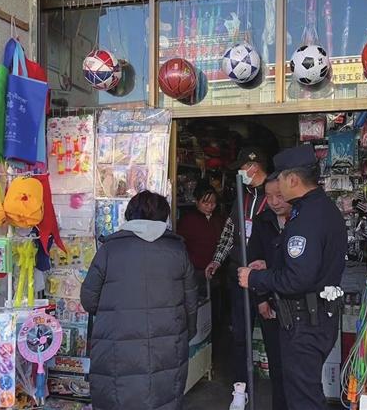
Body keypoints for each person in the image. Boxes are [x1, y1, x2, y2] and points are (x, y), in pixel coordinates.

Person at [238, 145, 347, 410]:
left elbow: (298, 279)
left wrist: (255, 279)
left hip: (305, 322)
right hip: (314, 317)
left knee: (303, 399)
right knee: (303, 391)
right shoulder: (320, 208)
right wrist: (272, 265)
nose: (277, 188)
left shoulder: (306, 218)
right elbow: (310, 264)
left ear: (293, 180)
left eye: (281, 179)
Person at [81, 190, 199, 410]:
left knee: (117, 399)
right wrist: (186, 333)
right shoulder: (177, 250)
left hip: (117, 344)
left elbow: (89, 299)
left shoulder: (110, 249)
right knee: (163, 398)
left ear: (130, 214)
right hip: (167, 344)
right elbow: (190, 301)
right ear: (164, 216)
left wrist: (114, 315)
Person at [205, 147, 268, 387]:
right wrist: (217, 260)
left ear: (253, 167)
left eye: (241, 169)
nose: (239, 174)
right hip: (238, 275)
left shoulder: (275, 195)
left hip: (266, 278)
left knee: (273, 333)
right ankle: (240, 387)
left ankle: (279, 391)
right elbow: (229, 233)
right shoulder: (243, 196)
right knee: (240, 334)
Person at [246, 178, 292, 410]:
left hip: (298, 303)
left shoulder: (302, 220)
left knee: (299, 366)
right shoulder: (262, 221)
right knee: (276, 361)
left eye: (279, 196)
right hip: (271, 301)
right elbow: (254, 262)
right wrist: (262, 299)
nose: (274, 202)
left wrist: (271, 266)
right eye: (269, 196)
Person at [177, 181, 225, 298]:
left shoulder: (219, 219)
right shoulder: (188, 220)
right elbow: (180, 246)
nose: (210, 206)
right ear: (197, 201)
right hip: (195, 272)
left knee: (217, 302)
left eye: (213, 203)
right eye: (205, 203)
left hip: (216, 271)